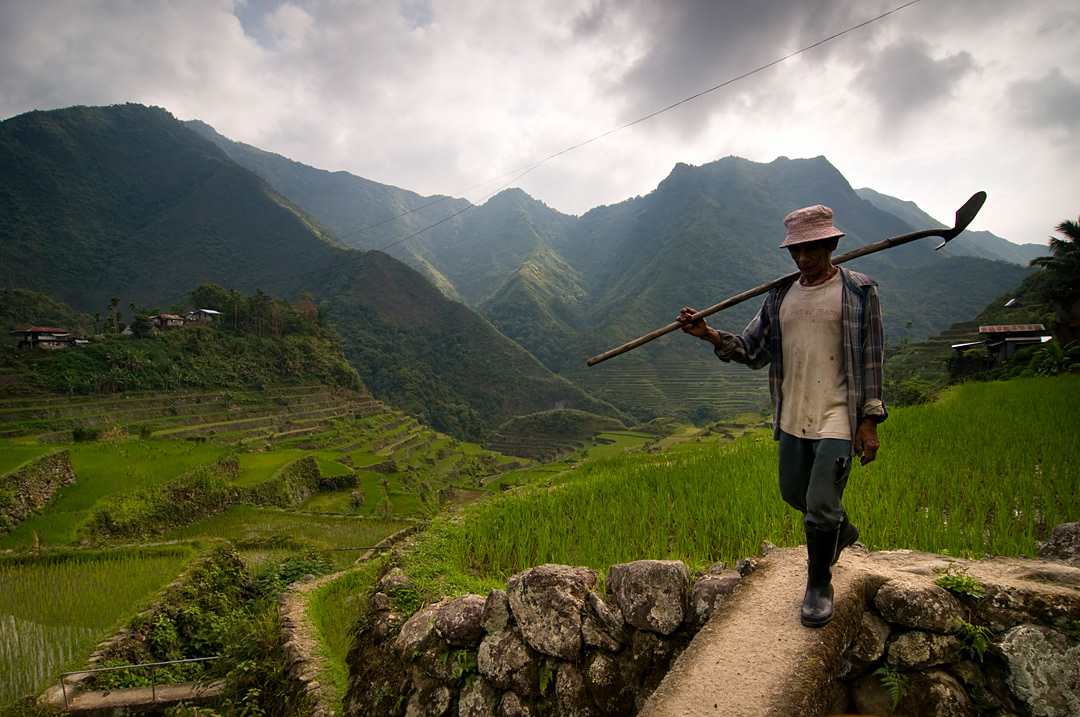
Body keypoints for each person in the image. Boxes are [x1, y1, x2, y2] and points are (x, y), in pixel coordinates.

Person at [676, 204, 887, 628]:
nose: (803, 259)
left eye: (811, 249)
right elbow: (753, 350)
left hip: (838, 416)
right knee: (795, 493)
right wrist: (709, 334)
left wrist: (869, 421)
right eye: (796, 251)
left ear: (830, 243)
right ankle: (840, 533)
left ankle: (818, 585)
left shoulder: (859, 292)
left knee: (821, 503)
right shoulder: (780, 296)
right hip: (794, 413)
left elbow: (872, 360)